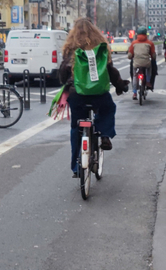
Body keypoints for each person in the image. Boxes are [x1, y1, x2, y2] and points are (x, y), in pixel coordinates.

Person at [57, 18, 129, 177]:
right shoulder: (101, 48)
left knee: (76, 127)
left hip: (77, 94)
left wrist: (66, 83)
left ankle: (76, 166)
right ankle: (104, 134)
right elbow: (110, 71)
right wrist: (120, 86)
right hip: (98, 94)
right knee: (108, 108)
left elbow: (63, 71)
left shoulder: (71, 49)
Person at [127, 26, 156, 95]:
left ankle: (134, 93)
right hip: (146, 63)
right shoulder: (150, 43)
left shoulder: (134, 43)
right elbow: (153, 55)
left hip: (136, 63)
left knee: (134, 75)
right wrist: (152, 57)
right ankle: (148, 81)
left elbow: (129, 56)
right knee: (149, 68)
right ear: (146, 34)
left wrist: (132, 56)